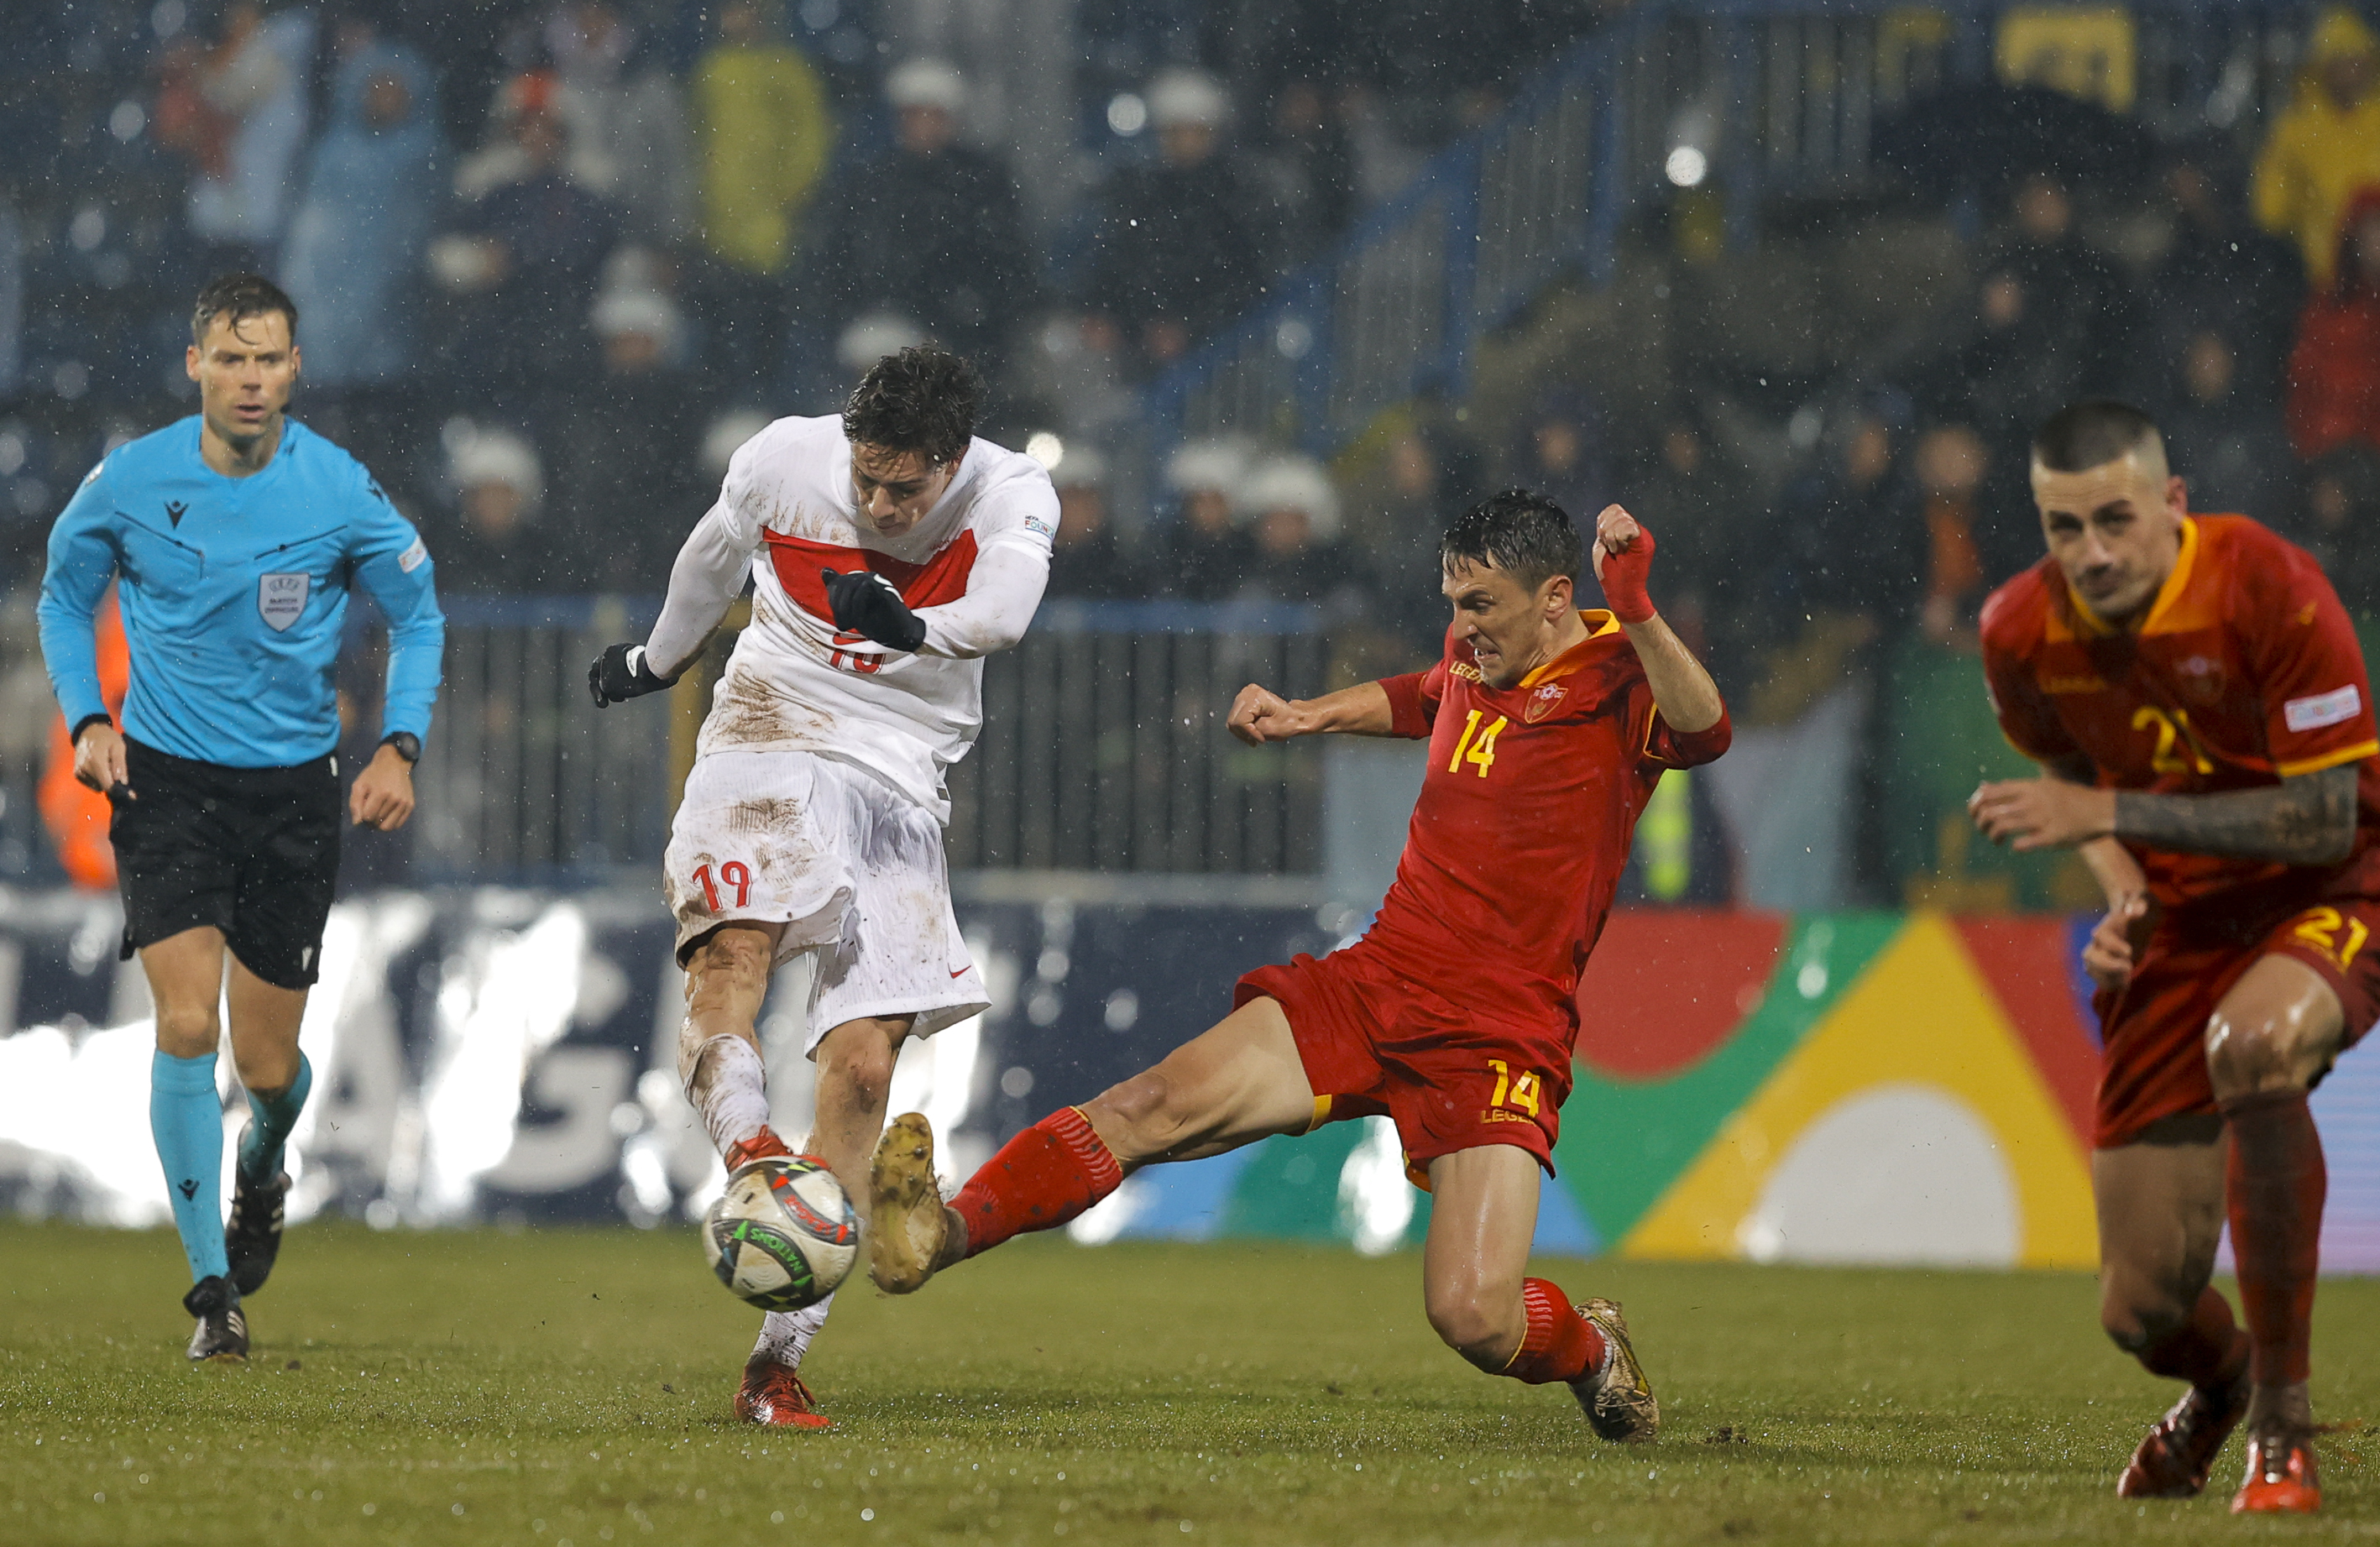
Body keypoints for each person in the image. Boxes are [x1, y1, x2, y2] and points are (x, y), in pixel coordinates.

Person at [865, 490, 1730, 1441]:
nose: (1460, 626)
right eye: (1452, 601)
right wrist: (1307, 717)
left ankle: (1593, 1350)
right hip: (1377, 980)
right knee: (1150, 1106)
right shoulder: (1477, 657)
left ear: (1558, 596)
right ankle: (940, 1233)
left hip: (1499, 1027)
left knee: (1473, 1315)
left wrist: (1640, 603)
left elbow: (1706, 731)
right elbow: (1427, 692)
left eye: (1480, 604)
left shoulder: (1620, 673)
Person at [585, 347, 1055, 1428]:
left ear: (954, 461)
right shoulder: (784, 459)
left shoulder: (1015, 490)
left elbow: (1009, 612)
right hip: (767, 728)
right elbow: (714, 552)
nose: (882, 502)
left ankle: (775, 1365)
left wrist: (911, 626)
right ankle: (754, 1150)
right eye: (868, 479)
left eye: (907, 487)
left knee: (861, 1066)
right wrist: (660, 661)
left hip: (900, 773)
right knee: (732, 956)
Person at [1969, 400, 2380, 1513]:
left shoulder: (2265, 583)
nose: (2090, 552)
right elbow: (2071, 797)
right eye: (2063, 528)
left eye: (2113, 519)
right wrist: (2125, 884)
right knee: (2139, 1307)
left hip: (2325, 887)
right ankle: (2225, 1386)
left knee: (2252, 1046)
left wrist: (2100, 807)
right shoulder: (2017, 632)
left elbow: (2322, 821)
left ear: (2171, 504)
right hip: (2182, 922)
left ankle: (2282, 1433)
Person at [35, 274, 444, 1362]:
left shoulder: (339, 489)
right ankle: (211, 1288)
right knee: (182, 1024)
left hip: (291, 796)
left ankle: (264, 1160)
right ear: (195, 365)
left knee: (267, 1067)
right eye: (231, 358)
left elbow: (418, 607)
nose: (251, 379)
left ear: (295, 369)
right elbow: (62, 592)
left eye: (268, 359)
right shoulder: (132, 479)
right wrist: (86, 716)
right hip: (165, 785)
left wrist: (399, 740)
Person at [802, 60, 1037, 373]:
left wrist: (962, 320)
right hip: (884, 324)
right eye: (915, 115)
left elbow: (1003, 263)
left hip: (965, 333)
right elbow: (844, 262)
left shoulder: (981, 182)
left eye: (934, 115)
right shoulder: (872, 182)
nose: (924, 125)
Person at [2252, 7, 2380, 291]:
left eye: (2357, 60)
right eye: (2341, 61)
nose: (2351, 70)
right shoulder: (2296, 132)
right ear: (2322, 68)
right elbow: (2270, 211)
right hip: (2326, 287)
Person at [2284, 188, 2380, 463]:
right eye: (2369, 234)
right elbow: (2306, 393)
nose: (2376, 244)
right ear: (2355, 241)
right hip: (2335, 465)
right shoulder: (2327, 311)